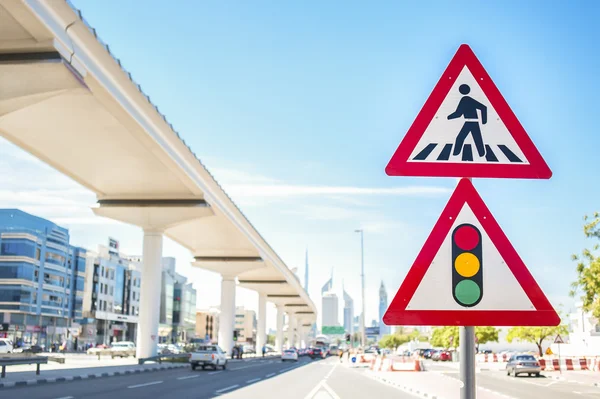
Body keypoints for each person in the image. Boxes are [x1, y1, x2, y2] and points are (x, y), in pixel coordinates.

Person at [447, 84, 488, 158]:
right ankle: (482, 154)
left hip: (469, 122)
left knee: (460, 138)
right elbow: (484, 108)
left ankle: (455, 154)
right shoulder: (469, 99)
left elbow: (458, 113)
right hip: (474, 122)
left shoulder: (465, 99)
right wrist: (483, 121)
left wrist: (448, 117)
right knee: (477, 138)